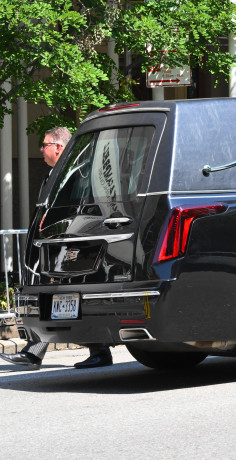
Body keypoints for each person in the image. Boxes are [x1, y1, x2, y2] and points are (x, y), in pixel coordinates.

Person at [0, 127, 113, 370]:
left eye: (44, 145)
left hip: (73, 244)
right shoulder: (55, 174)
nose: (41, 149)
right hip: (53, 246)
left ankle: (98, 350)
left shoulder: (81, 173)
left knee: (72, 298)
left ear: (59, 147)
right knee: (54, 299)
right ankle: (36, 353)